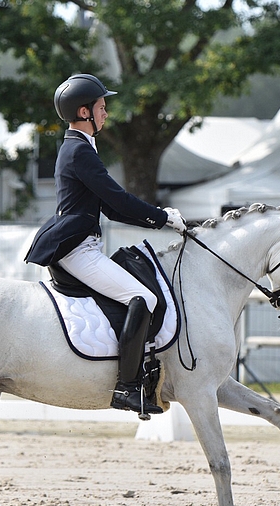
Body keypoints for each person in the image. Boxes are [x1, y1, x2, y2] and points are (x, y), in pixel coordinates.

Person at [25, 73, 187, 416]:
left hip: (82, 245)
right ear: (84, 112)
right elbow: (118, 198)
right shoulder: (78, 150)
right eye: (102, 107)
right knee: (142, 298)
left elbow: (111, 208)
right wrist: (162, 217)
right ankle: (126, 389)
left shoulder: (80, 147)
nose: (106, 113)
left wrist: (159, 221)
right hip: (76, 250)